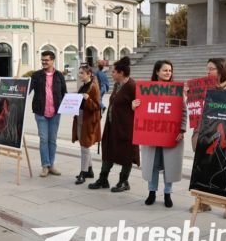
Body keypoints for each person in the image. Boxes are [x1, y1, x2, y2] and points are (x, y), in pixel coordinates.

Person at [132, 60, 186, 208]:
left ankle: (168, 193)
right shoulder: (146, 90)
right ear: (157, 72)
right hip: (152, 134)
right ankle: (152, 192)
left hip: (171, 134)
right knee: (153, 165)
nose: (168, 73)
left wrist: (182, 130)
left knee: (170, 165)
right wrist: (134, 106)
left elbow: (183, 111)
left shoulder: (176, 90)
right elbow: (141, 112)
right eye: (165, 70)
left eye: (170, 70)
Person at [189, 57, 226, 218]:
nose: (208, 72)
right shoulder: (203, 86)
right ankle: (203, 202)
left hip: (225, 133)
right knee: (203, 167)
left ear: (221, 70)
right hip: (205, 131)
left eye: (211, 69)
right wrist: (190, 94)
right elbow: (196, 107)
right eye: (207, 69)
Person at [89, 56, 139, 192]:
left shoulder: (132, 86)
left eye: (114, 72)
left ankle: (124, 181)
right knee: (108, 151)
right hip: (112, 127)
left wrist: (134, 107)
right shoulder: (117, 85)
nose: (111, 74)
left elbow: (140, 107)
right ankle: (103, 179)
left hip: (126, 129)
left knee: (127, 154)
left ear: (121, 73)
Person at [30, 50, 67, 177]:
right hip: (41, 112)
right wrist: (18, 83)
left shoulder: (59, 75)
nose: (44, 62)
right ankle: (45, 165)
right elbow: (27, 89)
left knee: (52, 140)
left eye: (46, 60)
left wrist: (70, 106)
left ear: (52, 60)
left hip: (55, 113)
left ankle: (51, 165)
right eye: (42, 60)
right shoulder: (36, 75)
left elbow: (64, 93)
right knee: (44, 139)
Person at [72, 65, 102, 184]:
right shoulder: (83, 86)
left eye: (82, 73)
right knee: (84, 145)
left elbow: (97, 106)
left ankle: (83, 172)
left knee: (85, 146)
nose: (79, 75)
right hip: (80, 118)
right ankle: (89, 170)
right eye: (79, 73)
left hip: (87, 120)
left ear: (89, 74)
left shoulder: (93, 87)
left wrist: (88, 99)